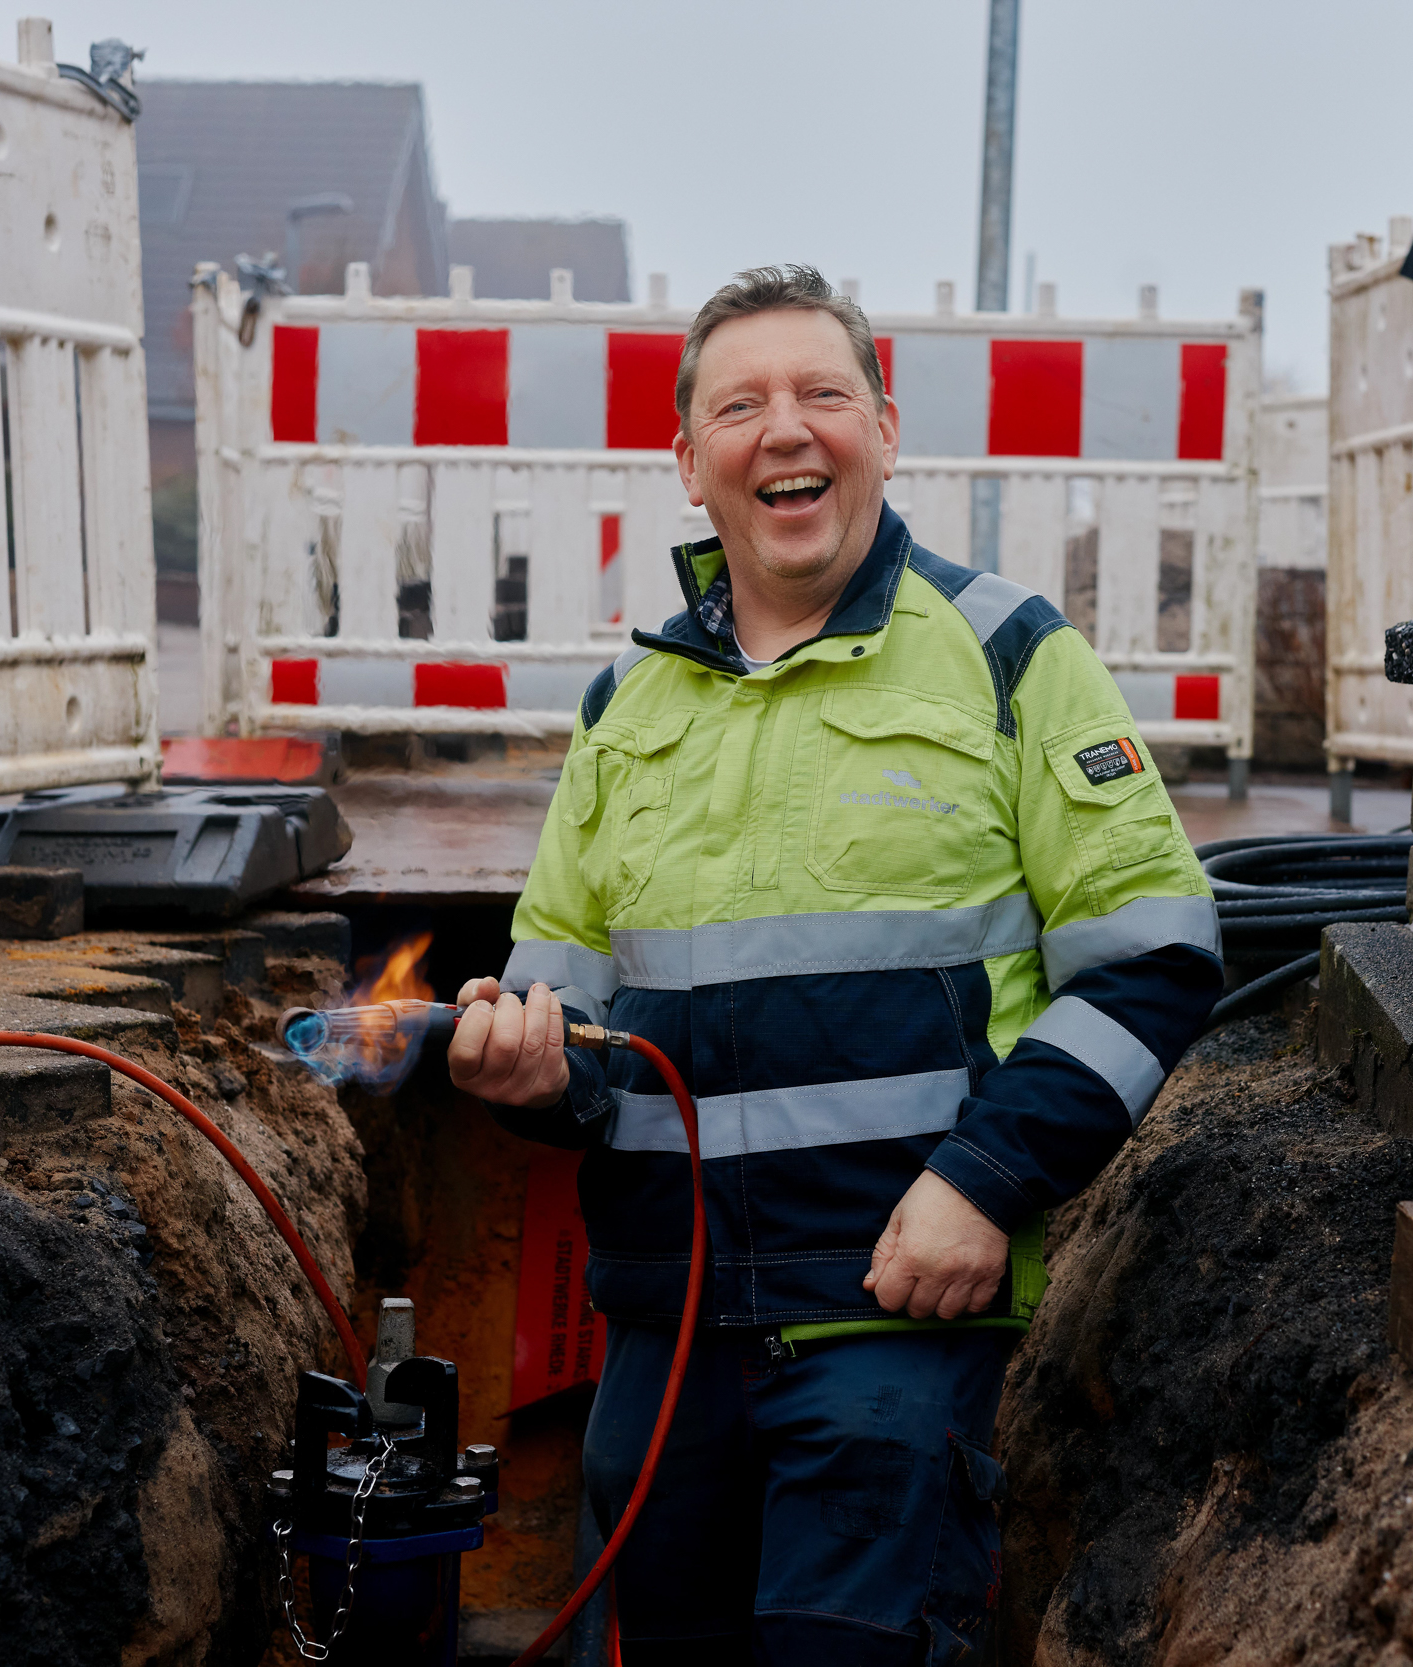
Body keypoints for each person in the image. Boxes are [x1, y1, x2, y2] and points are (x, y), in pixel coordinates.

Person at [448, 265, 1220, 1664]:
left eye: (823, 394)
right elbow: (575, 1026)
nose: (786, 431)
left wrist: (983, 1186)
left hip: (888, 1323)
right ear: (690, 464)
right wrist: (523, 1065)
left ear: (885, 428)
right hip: (666, 1339)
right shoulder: (626, 708)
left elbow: (1153, 957)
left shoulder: (1005, 656)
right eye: (740, 405)